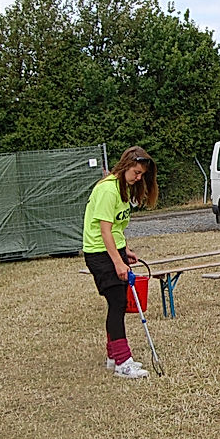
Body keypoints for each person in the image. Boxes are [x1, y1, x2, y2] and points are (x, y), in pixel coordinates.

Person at [83, 146, 159, 379]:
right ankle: (122, 362)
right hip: (98, 252)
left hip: (112, 249)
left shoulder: (123, 189)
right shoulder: (108, 190)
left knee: (116, 303)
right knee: (117, 302)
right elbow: (104, 231)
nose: (138, 177)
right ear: (125, 165)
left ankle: (113, 355)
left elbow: (116, 228)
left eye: (142, 175)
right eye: (136, 172)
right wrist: (118, 262)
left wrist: (125, 250)